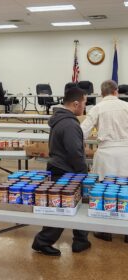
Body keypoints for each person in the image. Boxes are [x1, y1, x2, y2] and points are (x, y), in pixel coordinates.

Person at [32, 87, 91, 256]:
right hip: (67, 170)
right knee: (61, 208)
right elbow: (75, 153)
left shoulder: (61, 120)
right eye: (84, 103)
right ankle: (42, 242)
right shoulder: (70, 124)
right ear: (75, 103)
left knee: (73, 205)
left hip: (60, 168)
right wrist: (83, 171)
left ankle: (81, 240)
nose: (84, 107)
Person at [81, 80, 128, 243]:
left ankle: (105, 230)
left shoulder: (97, 108)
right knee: (125, 192)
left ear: (101, 93)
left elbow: (82, 132)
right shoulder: (126, 106)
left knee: (103, 191)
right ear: (116, 91)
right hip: (126, 153)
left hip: (105, 154)